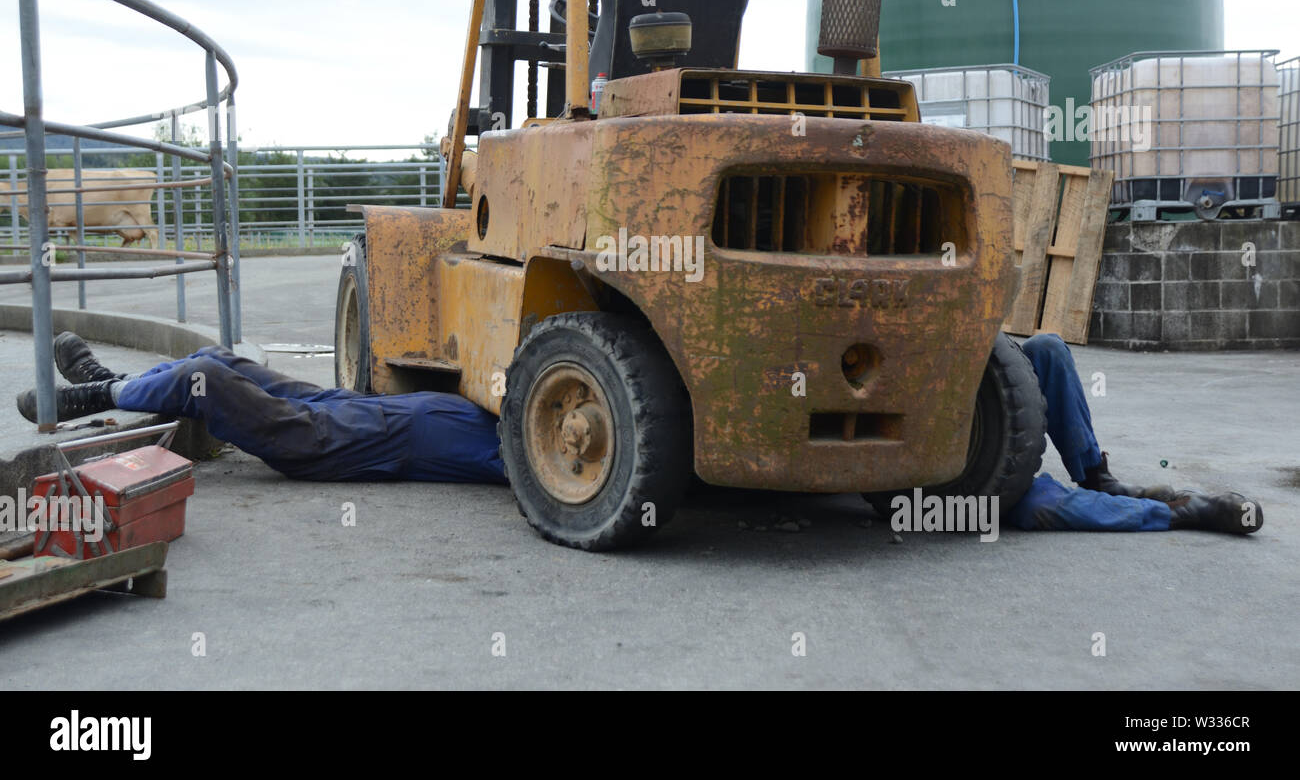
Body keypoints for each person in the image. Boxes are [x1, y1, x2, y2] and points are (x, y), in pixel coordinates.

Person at [18, 333, 1263, 535]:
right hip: (422, 429)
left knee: (220, 381)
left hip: (389, 426)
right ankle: (1164, 509)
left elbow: (238, 408)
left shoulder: (322, 433)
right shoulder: (330, 446)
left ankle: (99, 395)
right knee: (1013, 502)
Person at [17, 333, 505, 484]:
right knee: (221, 360)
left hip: (333, 438)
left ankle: (98, 395)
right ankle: (114, 384)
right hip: (363, 408)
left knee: (202, 379)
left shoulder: (526, 457)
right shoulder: (533, 401)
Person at [1010, 334, 1262, 535]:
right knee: (1036, 502)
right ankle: (1181, 512)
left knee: (1047, 349)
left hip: (989, 417)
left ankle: (1094, 476)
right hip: (978, 481)